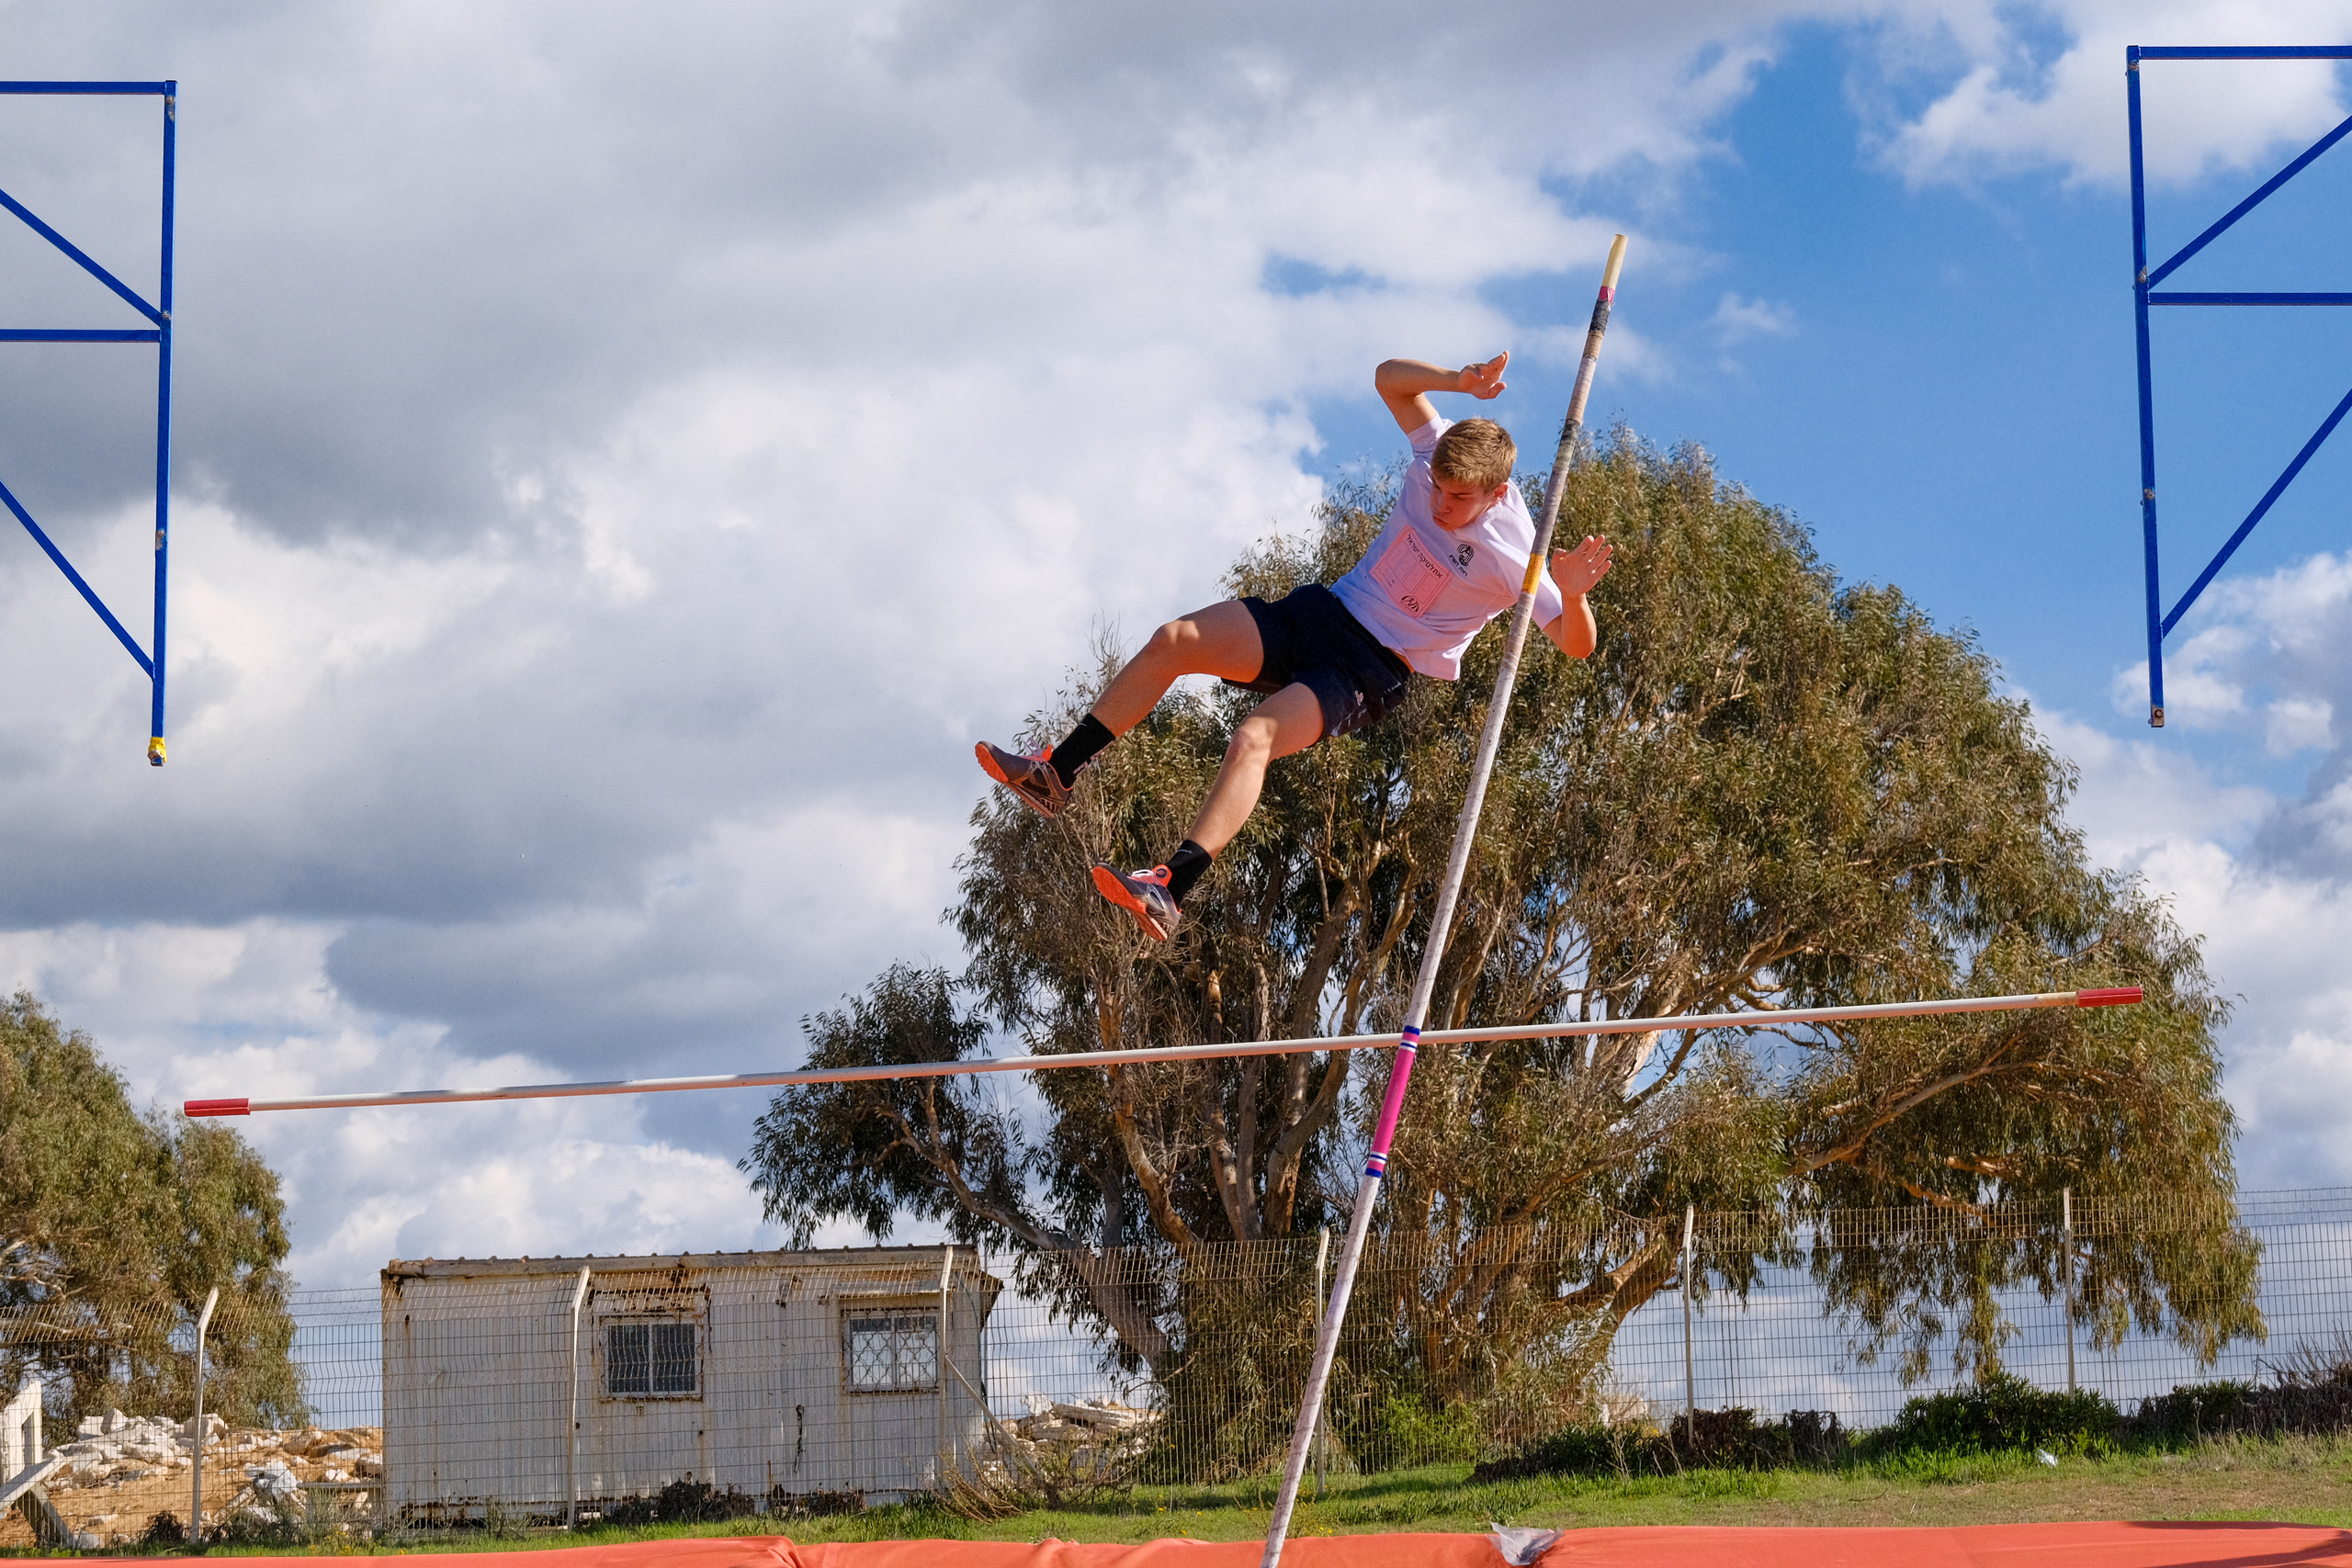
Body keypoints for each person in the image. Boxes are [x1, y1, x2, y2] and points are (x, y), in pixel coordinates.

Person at [977, 351, 1614, 940]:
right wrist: (1458, 381)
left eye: (1459, 499)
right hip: (1324, 612)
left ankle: (1170, 887)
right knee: (1174, 640)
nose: (1441, 504)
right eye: (1439, 489)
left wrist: (1575, 593)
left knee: (1254, 737)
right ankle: (1055, 774)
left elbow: (1575, 645)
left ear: (1496, 494)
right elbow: (1388, 378)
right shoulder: (1433, 458)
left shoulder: (1514, 556)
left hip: (1370, 667)